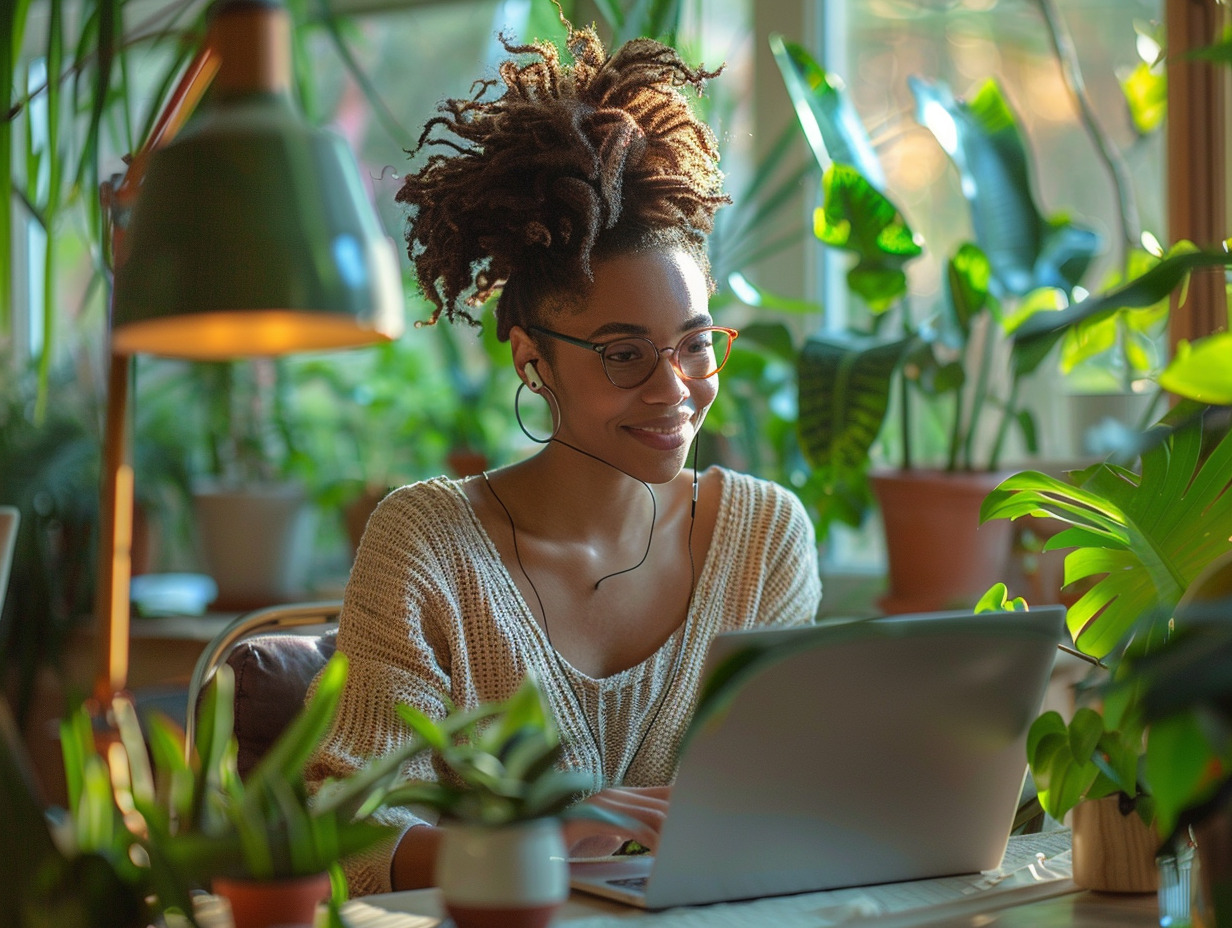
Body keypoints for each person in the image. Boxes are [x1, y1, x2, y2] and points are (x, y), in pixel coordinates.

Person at [305, 18, 822, 896]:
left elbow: (784, 794)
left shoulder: (762, 536)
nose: (675, 389)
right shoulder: (428, 545)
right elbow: (344, 837)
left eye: (695, 345)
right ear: (532, 361)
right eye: (624, 354)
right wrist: (545, 842)